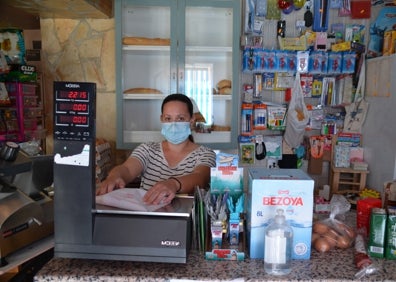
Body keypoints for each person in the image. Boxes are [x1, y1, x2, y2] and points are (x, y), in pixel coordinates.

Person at [96, 93, 216, 205]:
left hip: (187, 222)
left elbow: (201, 177)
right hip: (149, 221)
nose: (173, 124)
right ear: (162, 119)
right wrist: (114, 176)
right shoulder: (147, 149)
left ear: (191, 120)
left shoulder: (205, 153)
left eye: (180, 118)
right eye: (168, 119)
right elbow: (126, 169)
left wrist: (173, 184)